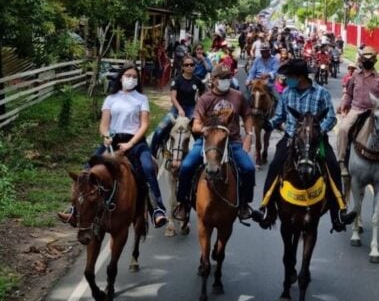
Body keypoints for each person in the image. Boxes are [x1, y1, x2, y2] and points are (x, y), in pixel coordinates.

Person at [251, 59, 356, 232]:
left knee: (333, 167)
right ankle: (266, 210)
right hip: (291, 138)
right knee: (275, 165)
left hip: (316, 140)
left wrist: (315, 132)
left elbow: (331, 117)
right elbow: (280, 116)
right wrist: (268, 124)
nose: (287, 79)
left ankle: (339, 214)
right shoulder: (287, 93)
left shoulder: (321, 93)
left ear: (300, 77)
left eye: (290, 76)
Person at [58, 64, 168, 228]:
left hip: (136, 141)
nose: (131, 79)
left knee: (147, 167)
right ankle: (74, 210)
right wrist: (106, 136)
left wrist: (130, 144)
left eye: (134, 77)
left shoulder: (141, 99)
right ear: (121, 77)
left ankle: (157, 209)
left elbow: (144, 124)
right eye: (128, 75)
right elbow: (103, 124)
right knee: (87, 169)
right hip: (113, 140)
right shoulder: (111, 99)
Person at [173, 65, 256, 227]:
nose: (226, 81)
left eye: (227, 78)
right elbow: (196, 124)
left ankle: (244, 204)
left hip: (232, 140)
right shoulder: (205, 99)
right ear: (214, 80)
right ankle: (183, 203)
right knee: (187, 166)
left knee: (248, 168)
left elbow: (247, 116)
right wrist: (203, 129)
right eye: (222, 78)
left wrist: (249, 136)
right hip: (208, 140)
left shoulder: (238, 96)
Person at [337, 47, 379, 181]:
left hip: (374, 113)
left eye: (370, 60)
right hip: (356, 109)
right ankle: (342, 161)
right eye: (365, 59)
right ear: (361, 60)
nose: (367, 62)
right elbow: (349, 93)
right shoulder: (355, 75)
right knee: (343, 129)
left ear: (374, 61)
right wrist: (344, 104)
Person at [150, 55, 205, 157]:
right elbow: (173, 98)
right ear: (182, 67)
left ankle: (200, 156)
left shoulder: (197, 81)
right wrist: (180, 109)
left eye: (192, 65)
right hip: (177, 108)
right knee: (159, 130)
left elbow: (204, 95)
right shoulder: (177, 80)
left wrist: (200, 106)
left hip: (191, 108)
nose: (189, 67)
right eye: (186, 65)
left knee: (199, 134)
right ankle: (152, 153)